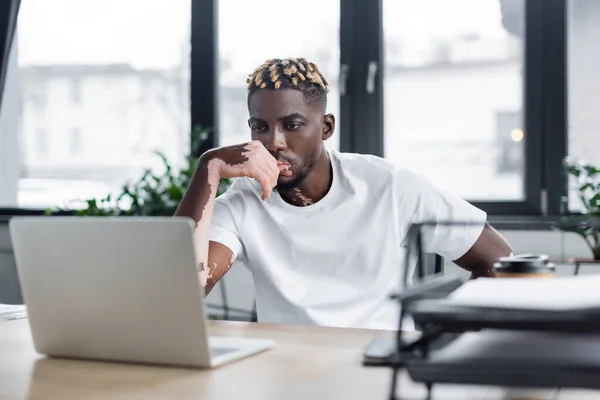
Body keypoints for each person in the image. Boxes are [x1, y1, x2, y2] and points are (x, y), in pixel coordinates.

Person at [175, 57, 513, 330]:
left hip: (378, 366)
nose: (274, 142)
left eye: (292, 125)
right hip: (287, 372)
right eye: (259, 127)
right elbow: (183, 292)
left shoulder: (389, 186)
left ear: (326, 127)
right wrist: (210, 167)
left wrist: (445, 335)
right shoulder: (243, 201)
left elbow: (497, 260)